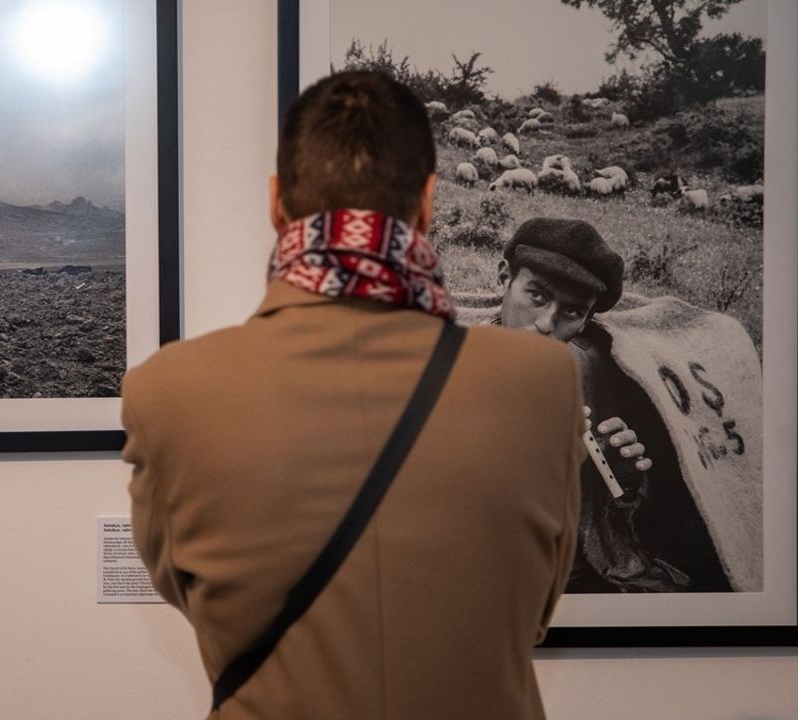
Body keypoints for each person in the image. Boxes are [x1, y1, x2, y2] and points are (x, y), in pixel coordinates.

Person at [122, 71, 584, 719]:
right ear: (427, 203)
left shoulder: (164, 392)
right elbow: (534, 611)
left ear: (276, 204)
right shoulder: (544, 382)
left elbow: (191, 597)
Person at [483, 218, 735, 592]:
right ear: (505, 278)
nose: (545, 324)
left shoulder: (595, 372)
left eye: (571, 312)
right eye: (536, 296)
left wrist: (623, 480)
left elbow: (634, 524)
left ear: (585, 320)